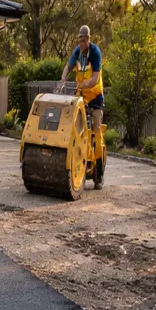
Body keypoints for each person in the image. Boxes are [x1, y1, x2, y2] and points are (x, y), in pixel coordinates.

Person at [58, 25, 104, 188]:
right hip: (81, 96)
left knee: (97, 131)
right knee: (76, 129)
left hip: (95, 96)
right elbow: (68, 67)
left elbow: (95, 78)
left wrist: (83, 85)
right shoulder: (77, 52)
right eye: (79, 41)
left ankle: (99, 175)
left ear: (88, 40)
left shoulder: (96, 53)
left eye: (83, 41)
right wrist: (63, 80)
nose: (81, 44)